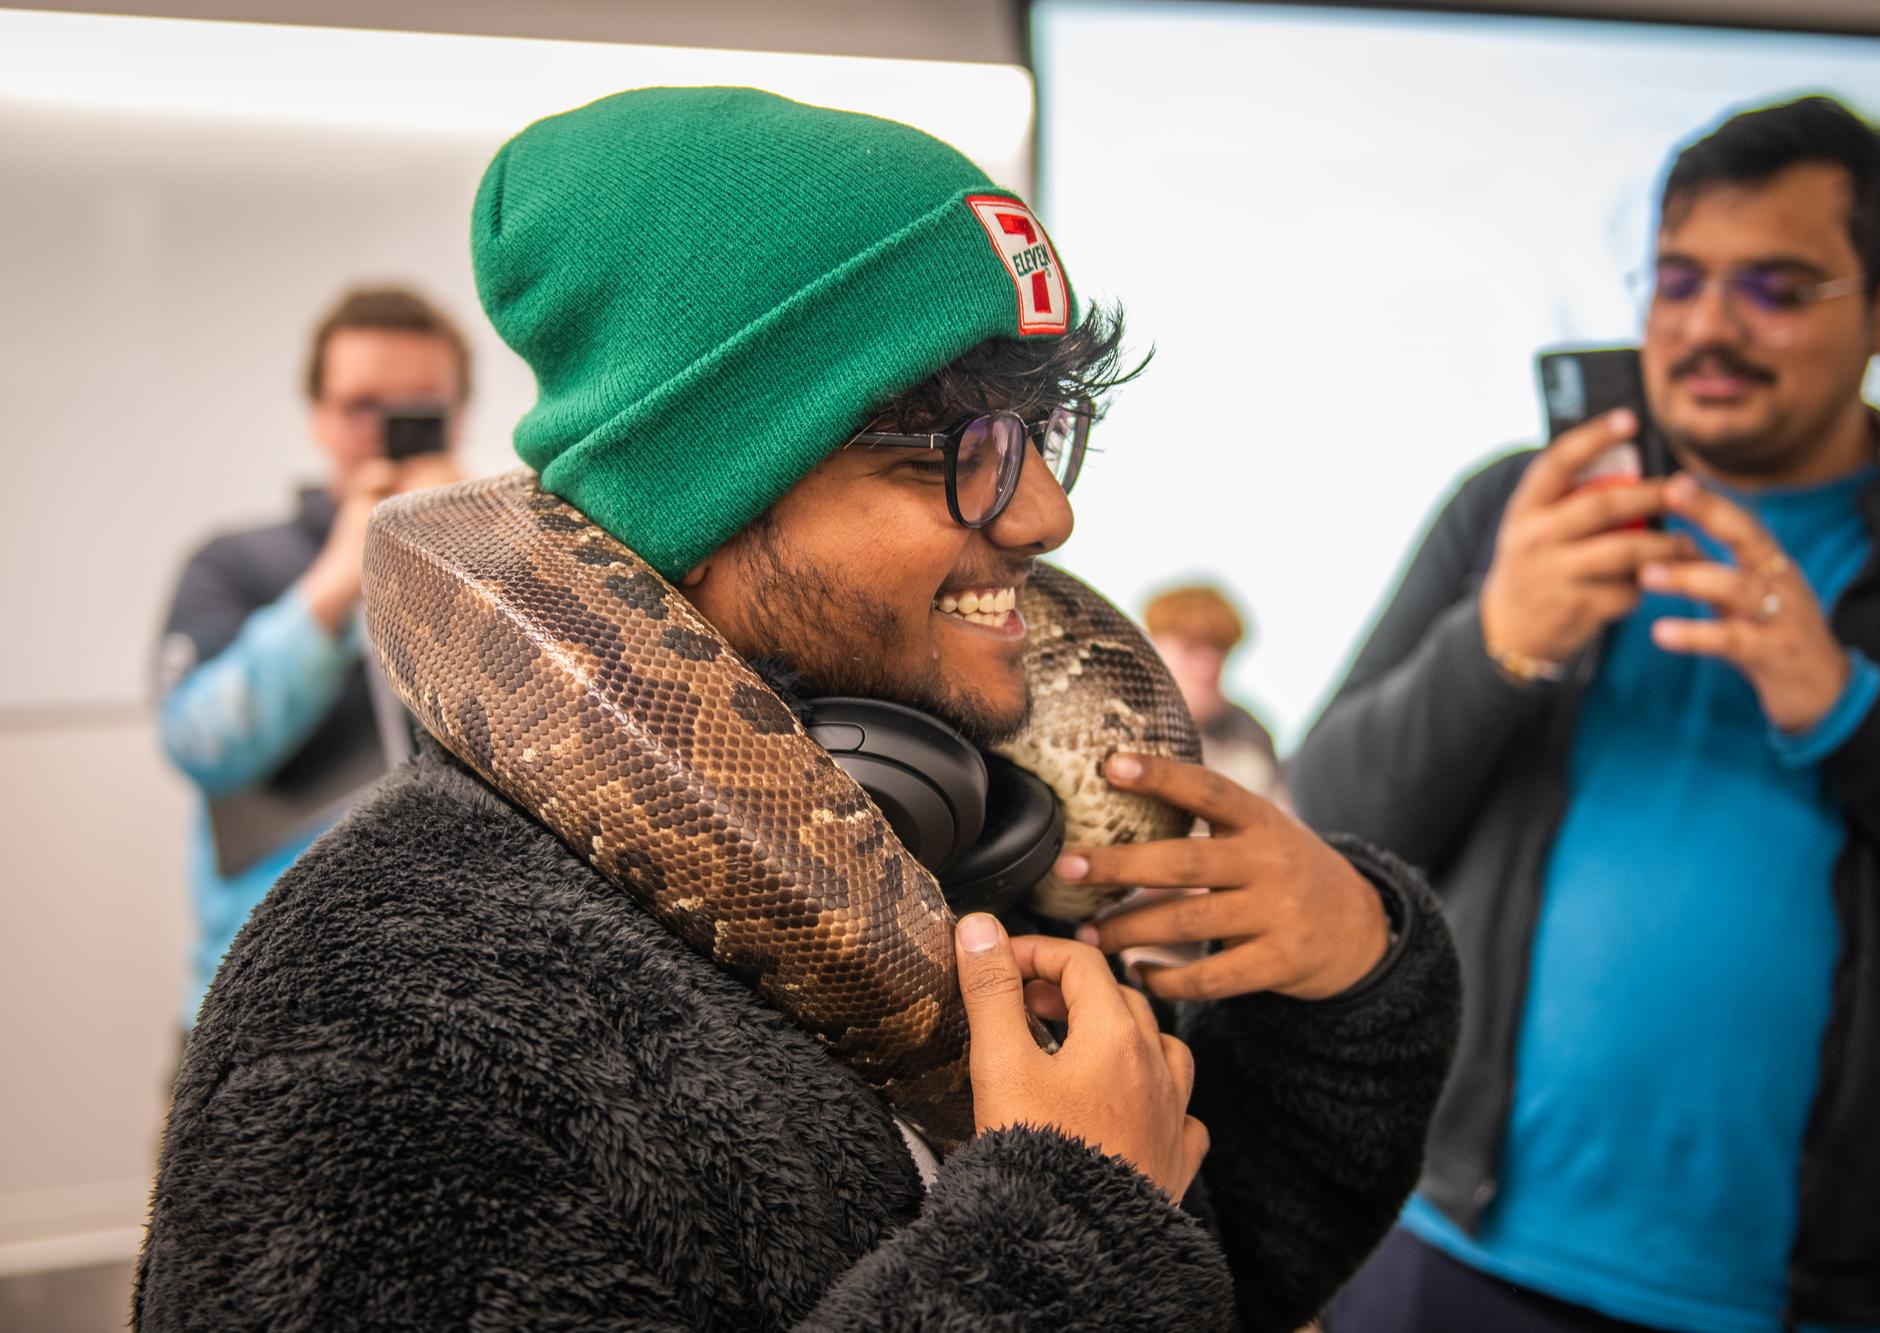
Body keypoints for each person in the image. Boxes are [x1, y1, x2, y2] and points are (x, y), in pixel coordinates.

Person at [134, 89, 1460, 1331]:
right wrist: (1063, 1237)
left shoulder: (972, 835)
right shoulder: (392, 1001)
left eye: (1040, 436)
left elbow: (1227, 1261)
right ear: (704, 502)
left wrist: (1346, 984)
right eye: (956, 454)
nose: (1054, 517)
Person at [1295, 95, 1880, 1333]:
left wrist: (1844, 710)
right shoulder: (1514, 508)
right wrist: (1500, 640)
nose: (1706, 328)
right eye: (1676, 280)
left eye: (1774, 287)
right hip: (1442, 1245)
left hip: (1818, 1302)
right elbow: (1330, 821)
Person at [153, 287, 469, 1028]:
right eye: (363, 407)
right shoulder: (233, 564)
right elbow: (201, 745)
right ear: (319, 416)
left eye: (419, 410)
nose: (386, 431)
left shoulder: (494, 565)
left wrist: (475, 553)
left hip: (454, 996)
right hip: (265, 1002)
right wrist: (334, 585)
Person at [1145, 583, 1284, 797]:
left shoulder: (1251, 735)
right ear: (1152, 644)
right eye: (1190, 647)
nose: (1207, 668)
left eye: (1219, 650)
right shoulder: (1114, 717)